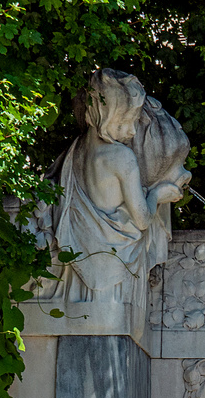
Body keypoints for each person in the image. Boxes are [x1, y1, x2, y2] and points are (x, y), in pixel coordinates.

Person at [37, 69, 190, 339]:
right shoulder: (122, 157)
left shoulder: (77, 149)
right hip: (115, 265)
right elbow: (142, 220)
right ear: (106, 114)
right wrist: (158, 194)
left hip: (84, 260)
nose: (132, 131)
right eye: (126, 121)